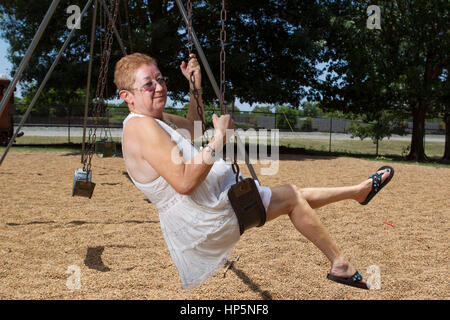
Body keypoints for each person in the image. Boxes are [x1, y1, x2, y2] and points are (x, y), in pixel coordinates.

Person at [115, 52, 394, 290]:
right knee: (292, 198)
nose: (160, 87)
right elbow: (185, 181)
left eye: (161, 79)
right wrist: (218, 140)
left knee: (292, 196)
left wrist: (194, 85)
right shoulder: (141, 127)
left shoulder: (155, 119)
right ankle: (340, 264)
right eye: (148, 84)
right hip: (202, 217)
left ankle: (359, 192)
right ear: (127, 96)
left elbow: (194, 122)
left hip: (205, 206)